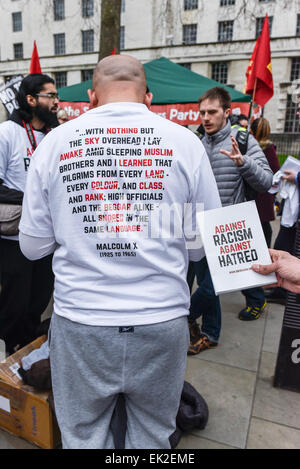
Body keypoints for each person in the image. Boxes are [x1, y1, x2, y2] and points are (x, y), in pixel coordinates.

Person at [19, 55, 221, 449]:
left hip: (82, 320)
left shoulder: (55, 143)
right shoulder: (185, 142)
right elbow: (201, 247)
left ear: (92, 96)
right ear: (147, 95)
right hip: (161, 319)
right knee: (152, 435)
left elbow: (32, 247)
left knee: (82, 435)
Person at [188, 87, 273, 355]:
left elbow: (267, 182)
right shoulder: (197, 144)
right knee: (206, 286)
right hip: (200, 226)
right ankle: (211, 334)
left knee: (213, 286)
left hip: (229, 228)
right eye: (202, 112)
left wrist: (242, 162)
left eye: (212, 112)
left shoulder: (244, 141)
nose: (206, 117)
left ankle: (183, 317)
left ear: (226, 112)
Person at [0, 74, 59, 355]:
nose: (56, 102)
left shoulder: (55, 136)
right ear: (32, 99)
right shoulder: (7, 133)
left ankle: (30, 358)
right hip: (14, 240)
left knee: (38, 302)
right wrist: (31, 198)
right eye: (51, 96)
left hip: (49, 238)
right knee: (15, 306)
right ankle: (12, 360)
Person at [250, 117, 280, 248]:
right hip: (265, 197)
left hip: (253, 197)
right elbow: (276, 172)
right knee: (265, 233)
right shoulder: (269, 149)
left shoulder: (249, 147)